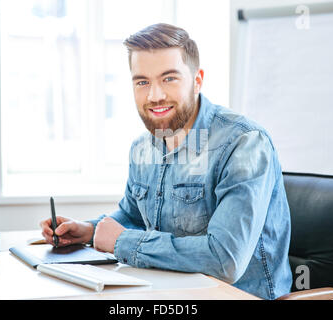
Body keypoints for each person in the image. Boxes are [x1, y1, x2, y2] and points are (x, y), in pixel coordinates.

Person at [40, 23, 292, 300]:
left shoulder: (244, 143)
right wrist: (89, 231)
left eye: (169, 78)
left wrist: (121, 241)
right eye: (142, 82)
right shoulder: (143, 146)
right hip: (166, 292)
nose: (154, 95)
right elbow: (134, 217)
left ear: (197, 80)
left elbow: (225, 259)